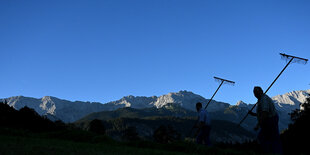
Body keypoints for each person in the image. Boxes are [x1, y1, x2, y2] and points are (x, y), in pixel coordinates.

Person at [249, 86, 282, 154]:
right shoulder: (260, 100)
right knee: (267, 138)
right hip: (268, 120)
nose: (255, 94)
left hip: (271, 120)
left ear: (261, 91)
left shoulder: (264, 99)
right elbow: (261, 113)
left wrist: (258, 125)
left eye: (257, 92)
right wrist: (253, 114)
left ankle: (274, 152)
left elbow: (265, 113)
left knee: (269, 139)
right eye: (254, 92)